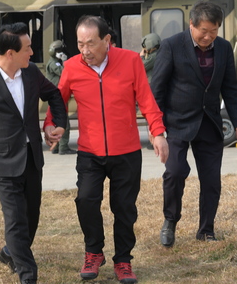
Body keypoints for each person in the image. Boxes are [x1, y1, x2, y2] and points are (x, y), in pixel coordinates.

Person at [44, 15, 168, 284]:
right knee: (85, 200)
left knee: (124, 208)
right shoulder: (72, 66)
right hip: (90, 151)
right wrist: (51, 124)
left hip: (126, 151)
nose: (85, 51)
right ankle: (93, 252)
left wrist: (157, 133)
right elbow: (59, 99)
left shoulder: (131, 61)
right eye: (80, 44)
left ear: (107, 40)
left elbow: (147, 100)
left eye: (91, 43)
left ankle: (123, 261)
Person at [0, 23, 67, 284]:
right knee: (16, 219)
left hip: (31, 158)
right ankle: (28, 276)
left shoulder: (31, 73)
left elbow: (54, 95)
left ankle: (10, 252)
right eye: (28, 48)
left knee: (31, 216)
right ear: (10, 53)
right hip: (0, 163)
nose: (32, 53)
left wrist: (56, 124)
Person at [151, 1, 237, 248]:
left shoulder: (224, 48)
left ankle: (206, 230)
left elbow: (230, 88)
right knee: (174, 172)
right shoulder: (172, 46)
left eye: (213, 31)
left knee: (211, 181)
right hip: (177, 123)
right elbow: (157, 90)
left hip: (209, 123)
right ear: (191, 24)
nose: (208, 36)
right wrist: (156, 129)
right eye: (203, 30)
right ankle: (170, 222)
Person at [45, 39, 75, 155]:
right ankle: (63, 147)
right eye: (59, 51)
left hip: (57, 96)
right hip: (58, 97)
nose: (61, 53)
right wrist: (65, 62)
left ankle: (57, 147)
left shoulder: (54, 62)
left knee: (56, 122)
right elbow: (64, 73)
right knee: (64, 123)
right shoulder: (54, 63)